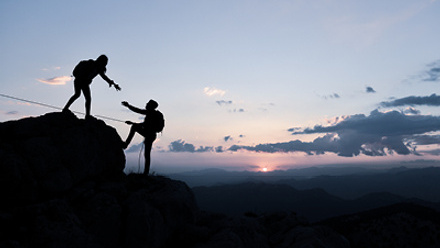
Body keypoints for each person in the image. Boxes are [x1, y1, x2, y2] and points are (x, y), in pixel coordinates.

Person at [121, 99, 164, 175]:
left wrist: (128, 106)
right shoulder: (152, 113)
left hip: (149, 134)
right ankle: (146, 172)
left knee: (147, 154)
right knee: (147, 154)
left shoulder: (150, 113)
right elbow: (144, 123)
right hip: (151, 135)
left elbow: (138, 112)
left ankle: (126, 144)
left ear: (150, 106)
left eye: (148, 104)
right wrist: (133, 123)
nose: (146, 104)